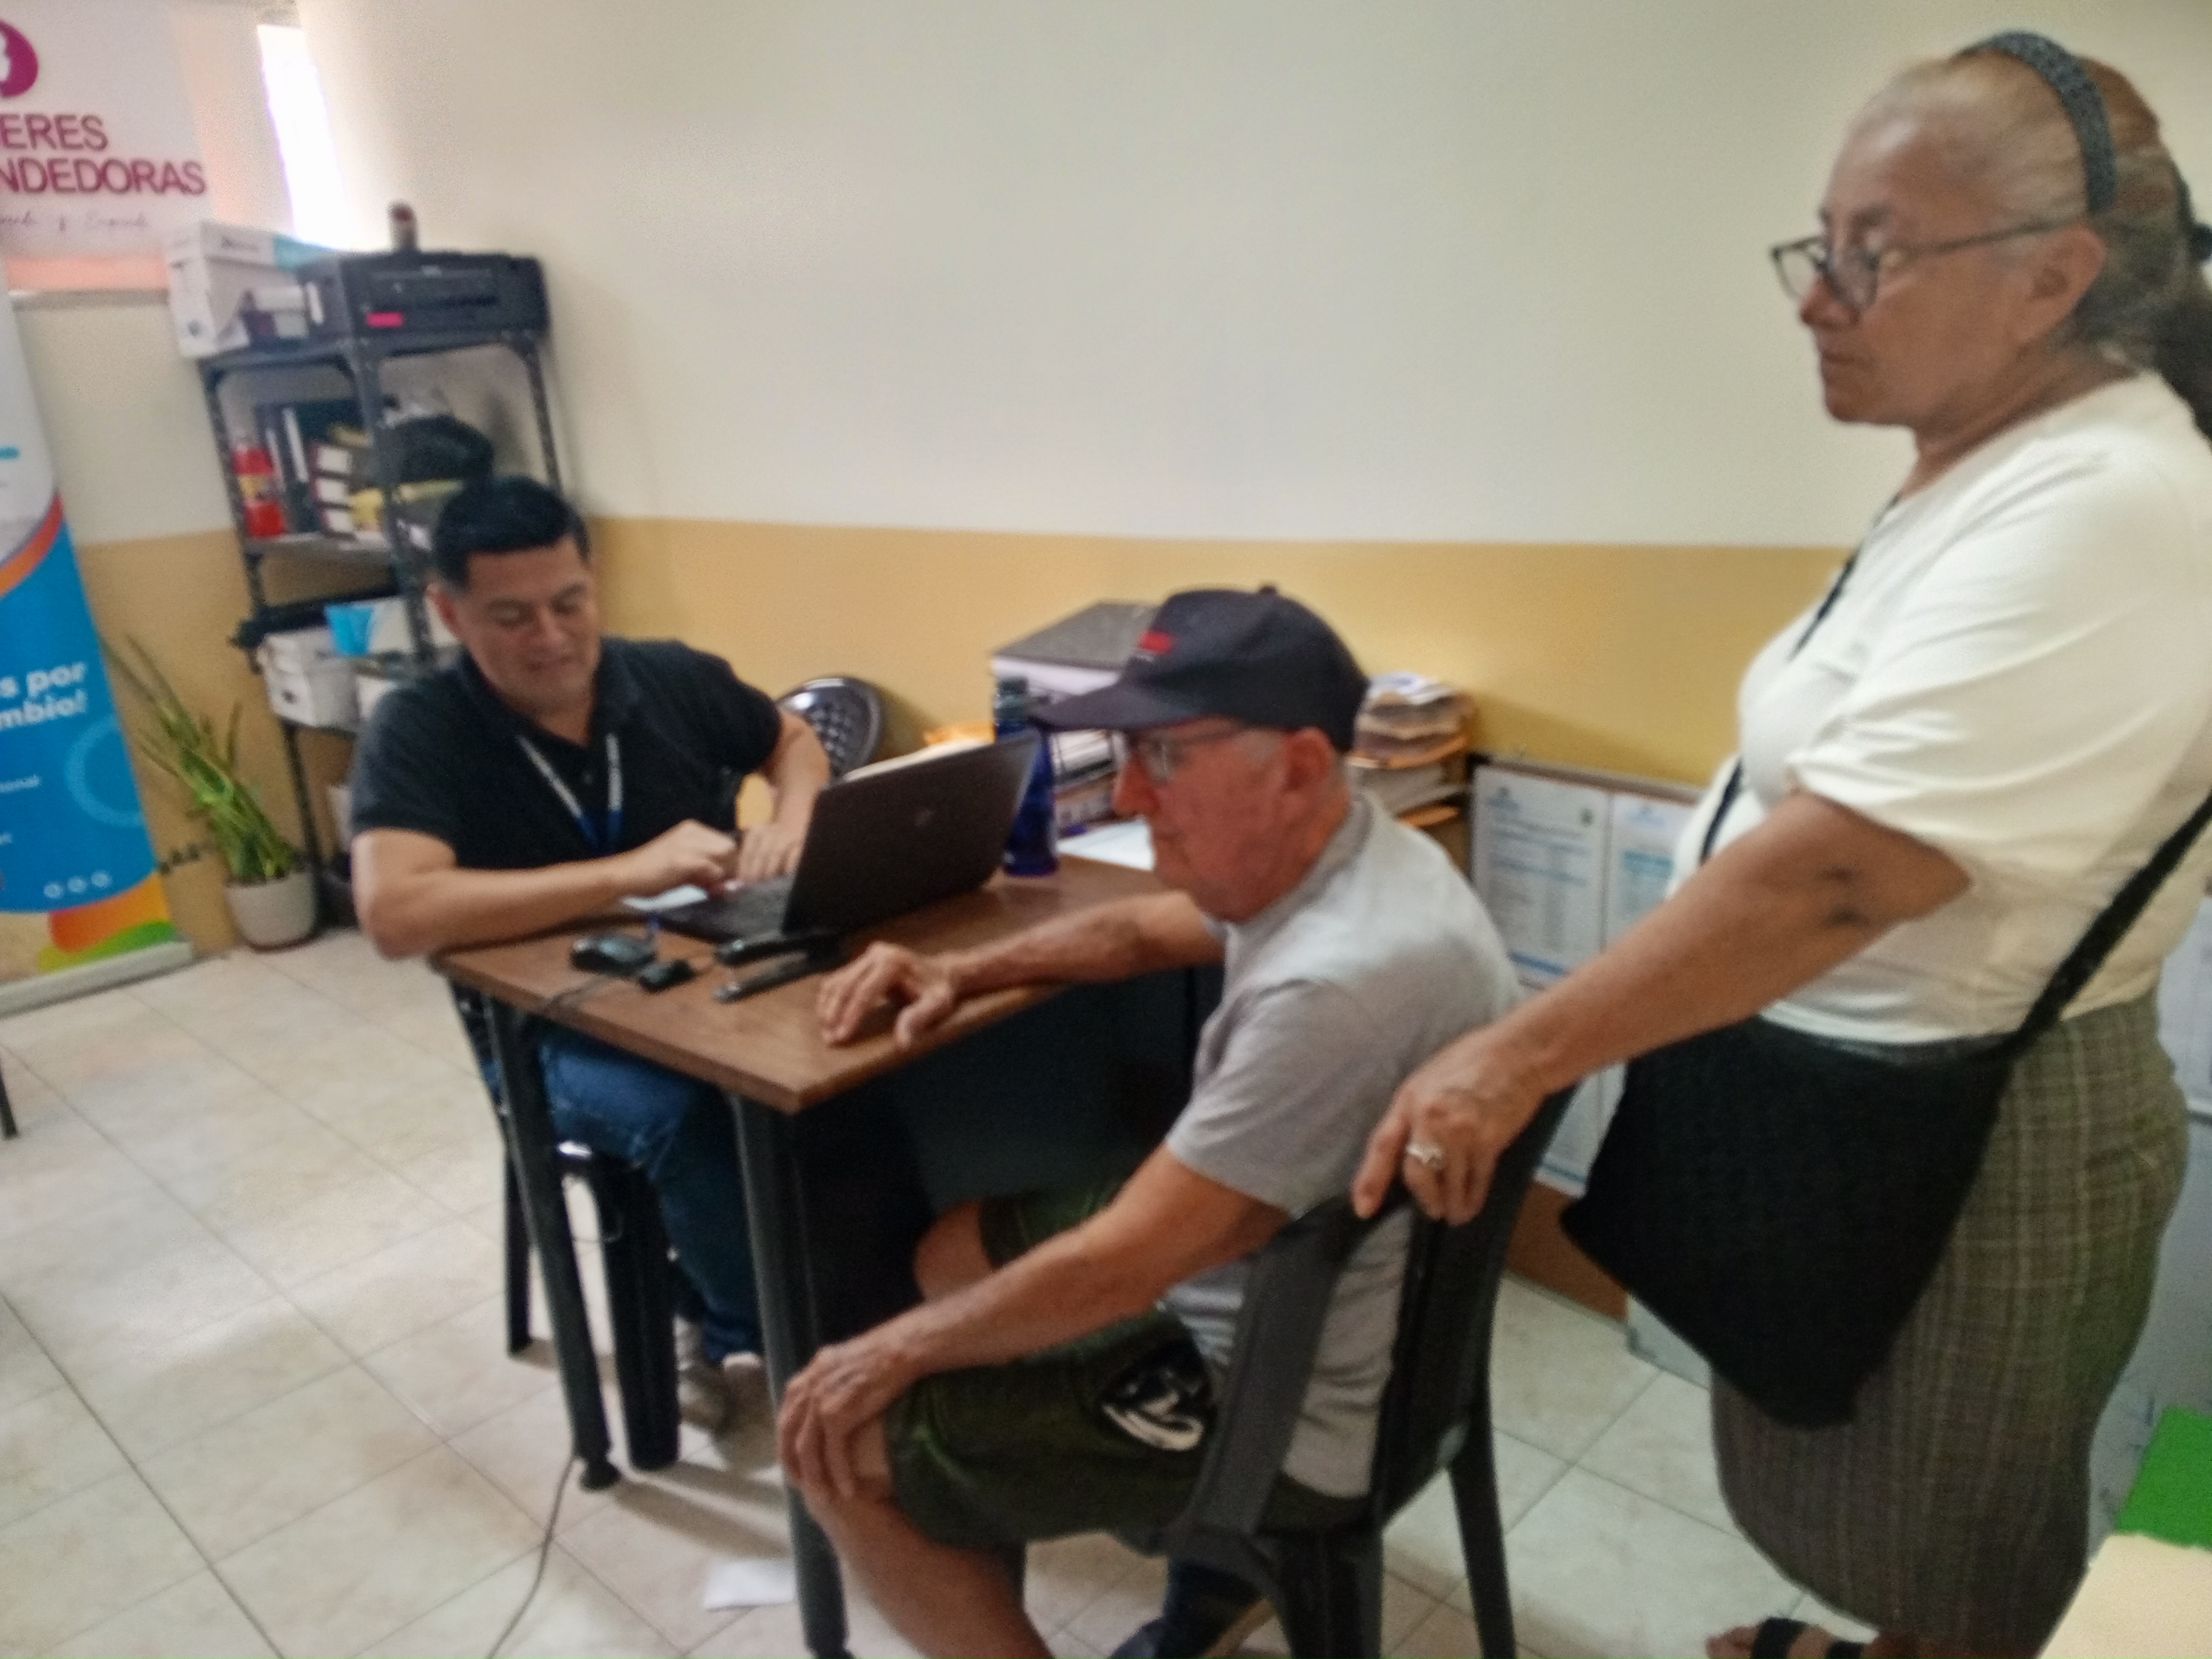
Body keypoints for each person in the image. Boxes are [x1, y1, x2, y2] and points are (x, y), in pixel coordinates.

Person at [1353, 35, 2212, 1659]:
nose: (1817, 298)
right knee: (1875, 1505)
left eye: (1871, 253)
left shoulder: (2113, 500)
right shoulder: (1986, 474)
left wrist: (1511, 1056)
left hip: (1975, 1132)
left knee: (1958, 1544)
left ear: (2055, 278)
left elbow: (1846, 870)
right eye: (1818, 247)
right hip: (1854, 1099)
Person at [775, 587, 1519, 1659]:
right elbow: (1137, 935)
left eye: (1164, 758)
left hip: (1280, 1399)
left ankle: (1190, 1531)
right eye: (1129, 754)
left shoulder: (1336, 987)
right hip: (1304, 1289)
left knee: (835, 1447)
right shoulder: (1356, 849)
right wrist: (959, 970)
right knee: (953, 1249)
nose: (1130, 792)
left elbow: (1123, 1267)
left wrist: (882, 1356)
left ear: (1299, 764)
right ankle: (1196, 1579)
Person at [348, 474, 832, 1416]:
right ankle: (756, 1336)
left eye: (569, 603)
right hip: (546, 1030)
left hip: (704, 979)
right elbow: (393, 913)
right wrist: (622, 875)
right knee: (686, 1114)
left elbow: (795, 740)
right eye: (512, 617)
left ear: (593, 578)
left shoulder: (667, 676)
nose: (552, 637)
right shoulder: (420, 729)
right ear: (448, 612)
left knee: (854, 1054)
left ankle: (844, 1300)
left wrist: (795, 819)